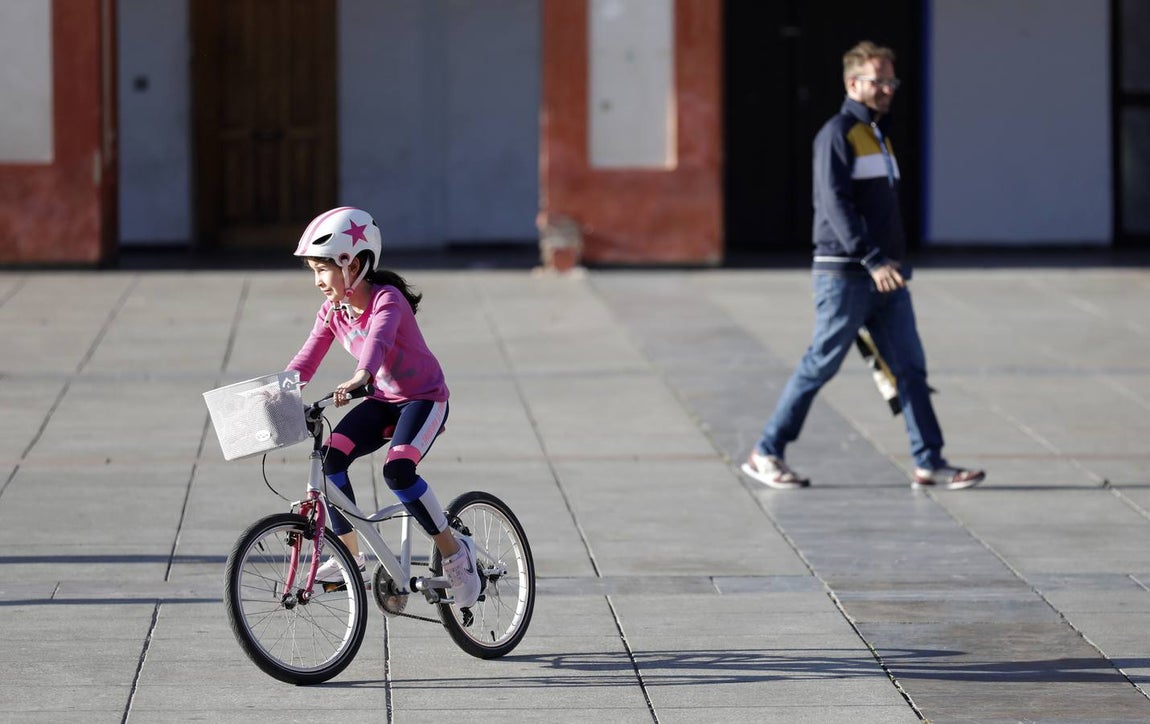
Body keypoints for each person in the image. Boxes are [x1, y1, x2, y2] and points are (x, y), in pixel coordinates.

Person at [742, 41, 985, 491]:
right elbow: (835, 204)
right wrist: (871, 258)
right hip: (847, 274)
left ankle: (930, 461)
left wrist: (886, 261)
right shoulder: (837, 133)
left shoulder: (879, 135)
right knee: (820, 364)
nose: (889, 89)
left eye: (893, 81)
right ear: (853, 83)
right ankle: (766, 451)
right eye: (879, 81)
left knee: (910, 368)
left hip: (886, 275)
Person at [285, 206, 481, 606]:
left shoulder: (387, 300)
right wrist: (279, 388)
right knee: (329, 462)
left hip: (423, 400)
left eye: (322, 270)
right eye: (313, 272)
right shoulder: (333, 311)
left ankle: (455, 553)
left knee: (398, 470)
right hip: (382, 401)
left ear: (352, 264)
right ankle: (349, 555)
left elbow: (379, 342)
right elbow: (307, 358)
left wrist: (360, 375)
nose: (318, 281)